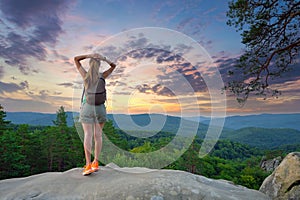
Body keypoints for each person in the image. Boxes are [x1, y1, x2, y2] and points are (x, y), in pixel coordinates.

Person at [74, 53, 116, 176]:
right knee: (98, 136)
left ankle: (88, 165)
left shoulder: (85, 76)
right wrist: (104, 58)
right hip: (100, 109)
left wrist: (89, 55)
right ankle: (95, 162)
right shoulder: (103, 76)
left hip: (87, 107)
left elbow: (76, 59)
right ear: (99, 65)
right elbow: (113, 66)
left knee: (88, 134)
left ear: (90, 65)